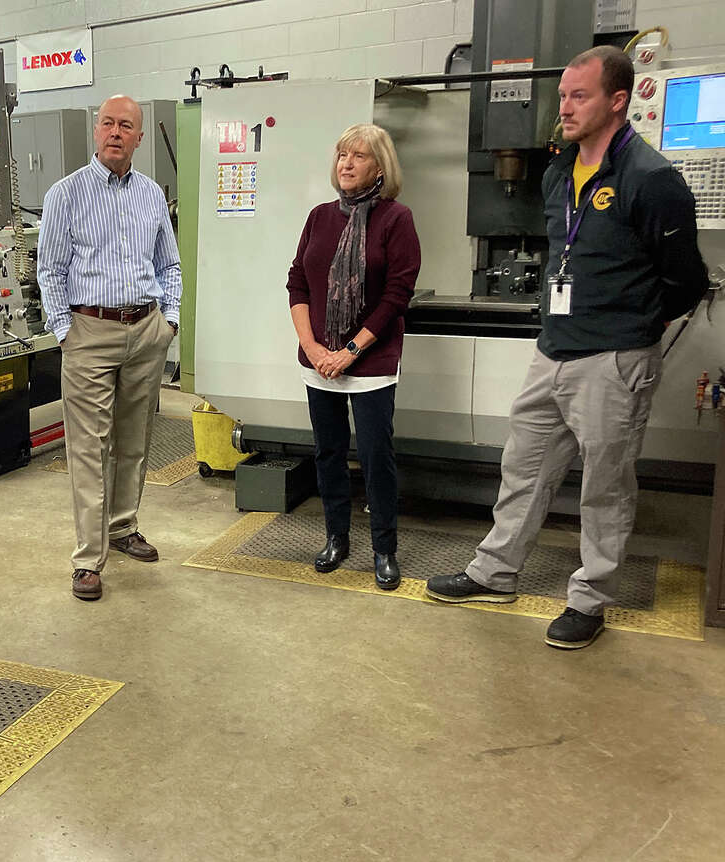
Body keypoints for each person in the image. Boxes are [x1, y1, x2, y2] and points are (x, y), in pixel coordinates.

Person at [426, 45, 709, 649]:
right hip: (552, 351)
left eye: (579, 95)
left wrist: (636, 326)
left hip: (613, 360)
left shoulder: (653, 181)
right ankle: (495, 571)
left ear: (617, 100)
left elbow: (685, 281)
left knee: (605, 484)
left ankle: (590, 598)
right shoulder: (559, 173)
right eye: (562, 96)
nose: (566, 106)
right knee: (523, 468)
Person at [38, 94, 182, 602]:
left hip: (146, 329)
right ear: (95, 132)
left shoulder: (150, 196)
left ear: (141, 137)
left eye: (126, 125)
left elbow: (170, 264)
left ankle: (123, 528)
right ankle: (87, 557)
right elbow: (50, 270)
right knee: (88, 448)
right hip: (89, 333)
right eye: (107, 124)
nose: (115, 132)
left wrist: (170, 320)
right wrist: (64, 331)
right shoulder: (65, 194)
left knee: (135, 441)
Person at [286, 124, 421, 591]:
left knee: (375, 455)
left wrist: (349, 351)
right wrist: (313, 348)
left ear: (379, 167)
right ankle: (336, 538)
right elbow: (297, 283)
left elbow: (396, 296)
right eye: (342, 154)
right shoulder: (319, 217)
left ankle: (384, 549)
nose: (345, 163)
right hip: (319, 358)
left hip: (371, 361)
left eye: (358, 156)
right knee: (327, 452)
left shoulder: (396, 219)